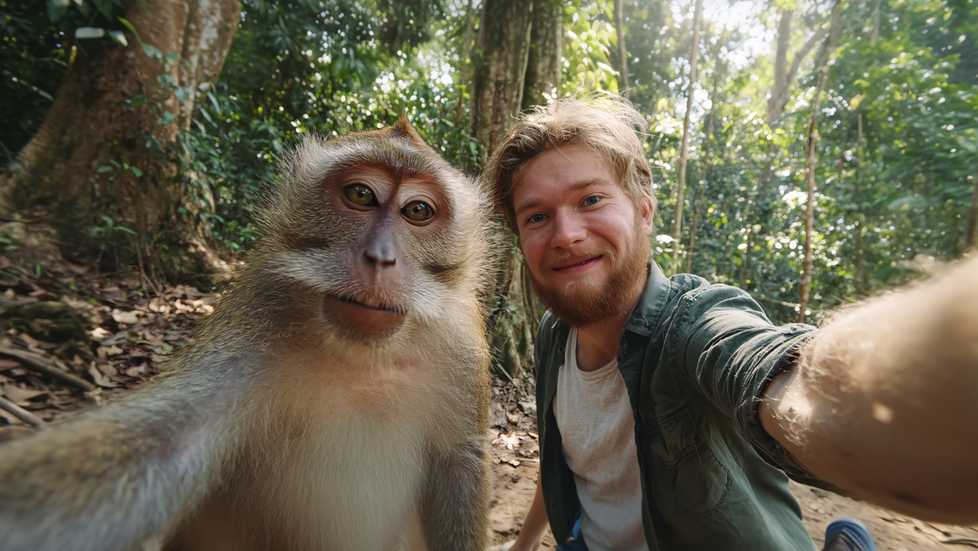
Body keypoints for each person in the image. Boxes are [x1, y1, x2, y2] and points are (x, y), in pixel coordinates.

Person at [481, 95, 978, 551]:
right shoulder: (553, 336)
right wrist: (524, 546)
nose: (565, 234)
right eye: (537, 217)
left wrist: (907, 400)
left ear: (644, 210)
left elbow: (778, 373)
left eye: (591, 199)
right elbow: (562, 459)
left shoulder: (695, 325)